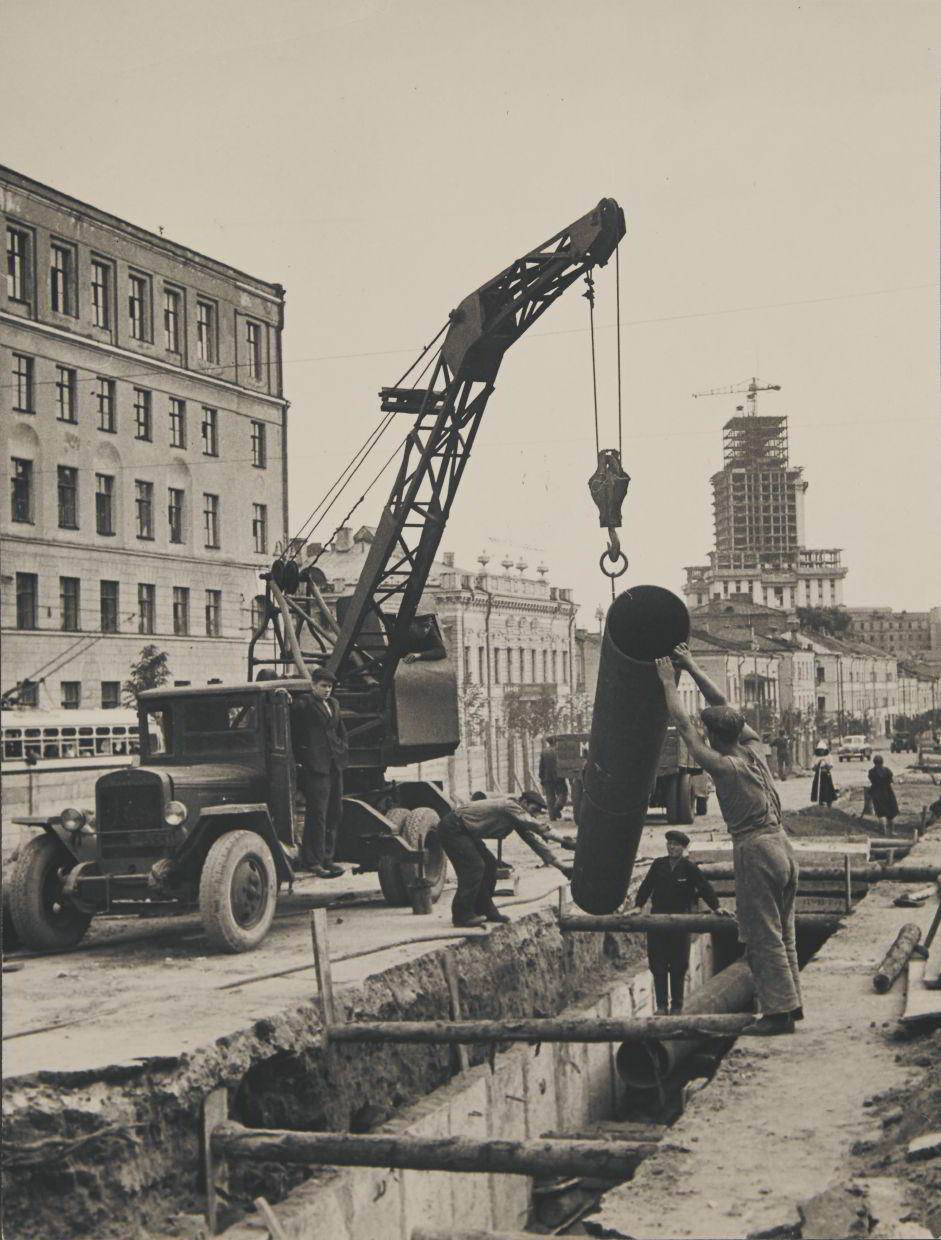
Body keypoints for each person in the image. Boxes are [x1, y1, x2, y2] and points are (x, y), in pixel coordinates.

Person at [655, 644, 802, 1037]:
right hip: (783, 847)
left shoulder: (724, 766)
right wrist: (691, 665)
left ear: (713, 736)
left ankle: (777, 1015)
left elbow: (683, 724)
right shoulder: (755, 749)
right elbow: (722, 702)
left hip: (756, 850)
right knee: (783, 931)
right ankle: (791, 1004)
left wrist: (668, 680)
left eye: (708, 730)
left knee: (761, 935)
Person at [435, 793, 573, 927]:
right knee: (474, 867)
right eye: (534, 810)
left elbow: (538, 846)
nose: (533, 814)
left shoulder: (517, 817)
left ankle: (485, 910)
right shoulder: (510, 806)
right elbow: (540, 827)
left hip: (466, 831)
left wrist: (563, 868)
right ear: (524, 802)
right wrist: (565, 841)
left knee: (490, 865)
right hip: (453, 828)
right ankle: (462, 916)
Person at [633, 829, 730, 1014]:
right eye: (669, 844)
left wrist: (716, 907)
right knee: (658, 963)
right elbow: (646, 886)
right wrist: (638, 905)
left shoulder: (689, 868)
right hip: (658, 919)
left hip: (681, 921)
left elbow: (704, 887)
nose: (671, 848)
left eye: (676, 845)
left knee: (678, 964)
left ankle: (677, 1006)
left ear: (684, 848)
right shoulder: (658, 864)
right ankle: (661, 1006)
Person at [290, 669, 348, 877]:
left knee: (334, 812)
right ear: (313, 685)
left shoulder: (333, 704)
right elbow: (295, 730)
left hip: (334, 765)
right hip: (315, 767)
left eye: (329, 687)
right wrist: (304, 761)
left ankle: (327, 858)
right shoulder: (305, 704)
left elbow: (340, 730)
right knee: (318, 814)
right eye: (323, 686)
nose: (326, 690)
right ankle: (312, 861)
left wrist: (342, 749)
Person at [867, 754, 899, 834]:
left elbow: (873, 782)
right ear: (882, 762)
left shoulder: (871, 772)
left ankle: (883, 831)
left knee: (881, 813)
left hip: (877, 793)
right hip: (888, 792)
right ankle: (892, 831)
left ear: (874, 762)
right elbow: (891, 780)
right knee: (890, 813)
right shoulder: (887, 771)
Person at [539, 738, 567, 821]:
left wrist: (541, 777)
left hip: (547, 778)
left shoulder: (544, 752)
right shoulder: (559, 751)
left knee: (549, 797)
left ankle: (552, 816)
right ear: (555, 742)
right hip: (559, 777)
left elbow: (541, 766)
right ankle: (558, 806)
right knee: (563, 793)